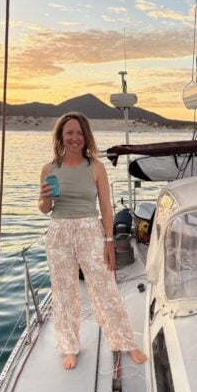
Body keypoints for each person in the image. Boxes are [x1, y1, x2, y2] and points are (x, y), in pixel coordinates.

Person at [37, 112, 148, 370]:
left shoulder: (95, 167)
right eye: (69, 133)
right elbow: (45, 209)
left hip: (90, 230)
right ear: (61, 137)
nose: (75, 138)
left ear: (86, 137)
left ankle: (124, 340)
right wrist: (43, 199)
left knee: (105, 287)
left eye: (79, 133)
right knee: (64, 291)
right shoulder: (49, 169)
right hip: (59, 233)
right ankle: (69, 346)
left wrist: (109, 242)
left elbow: (107, 208)